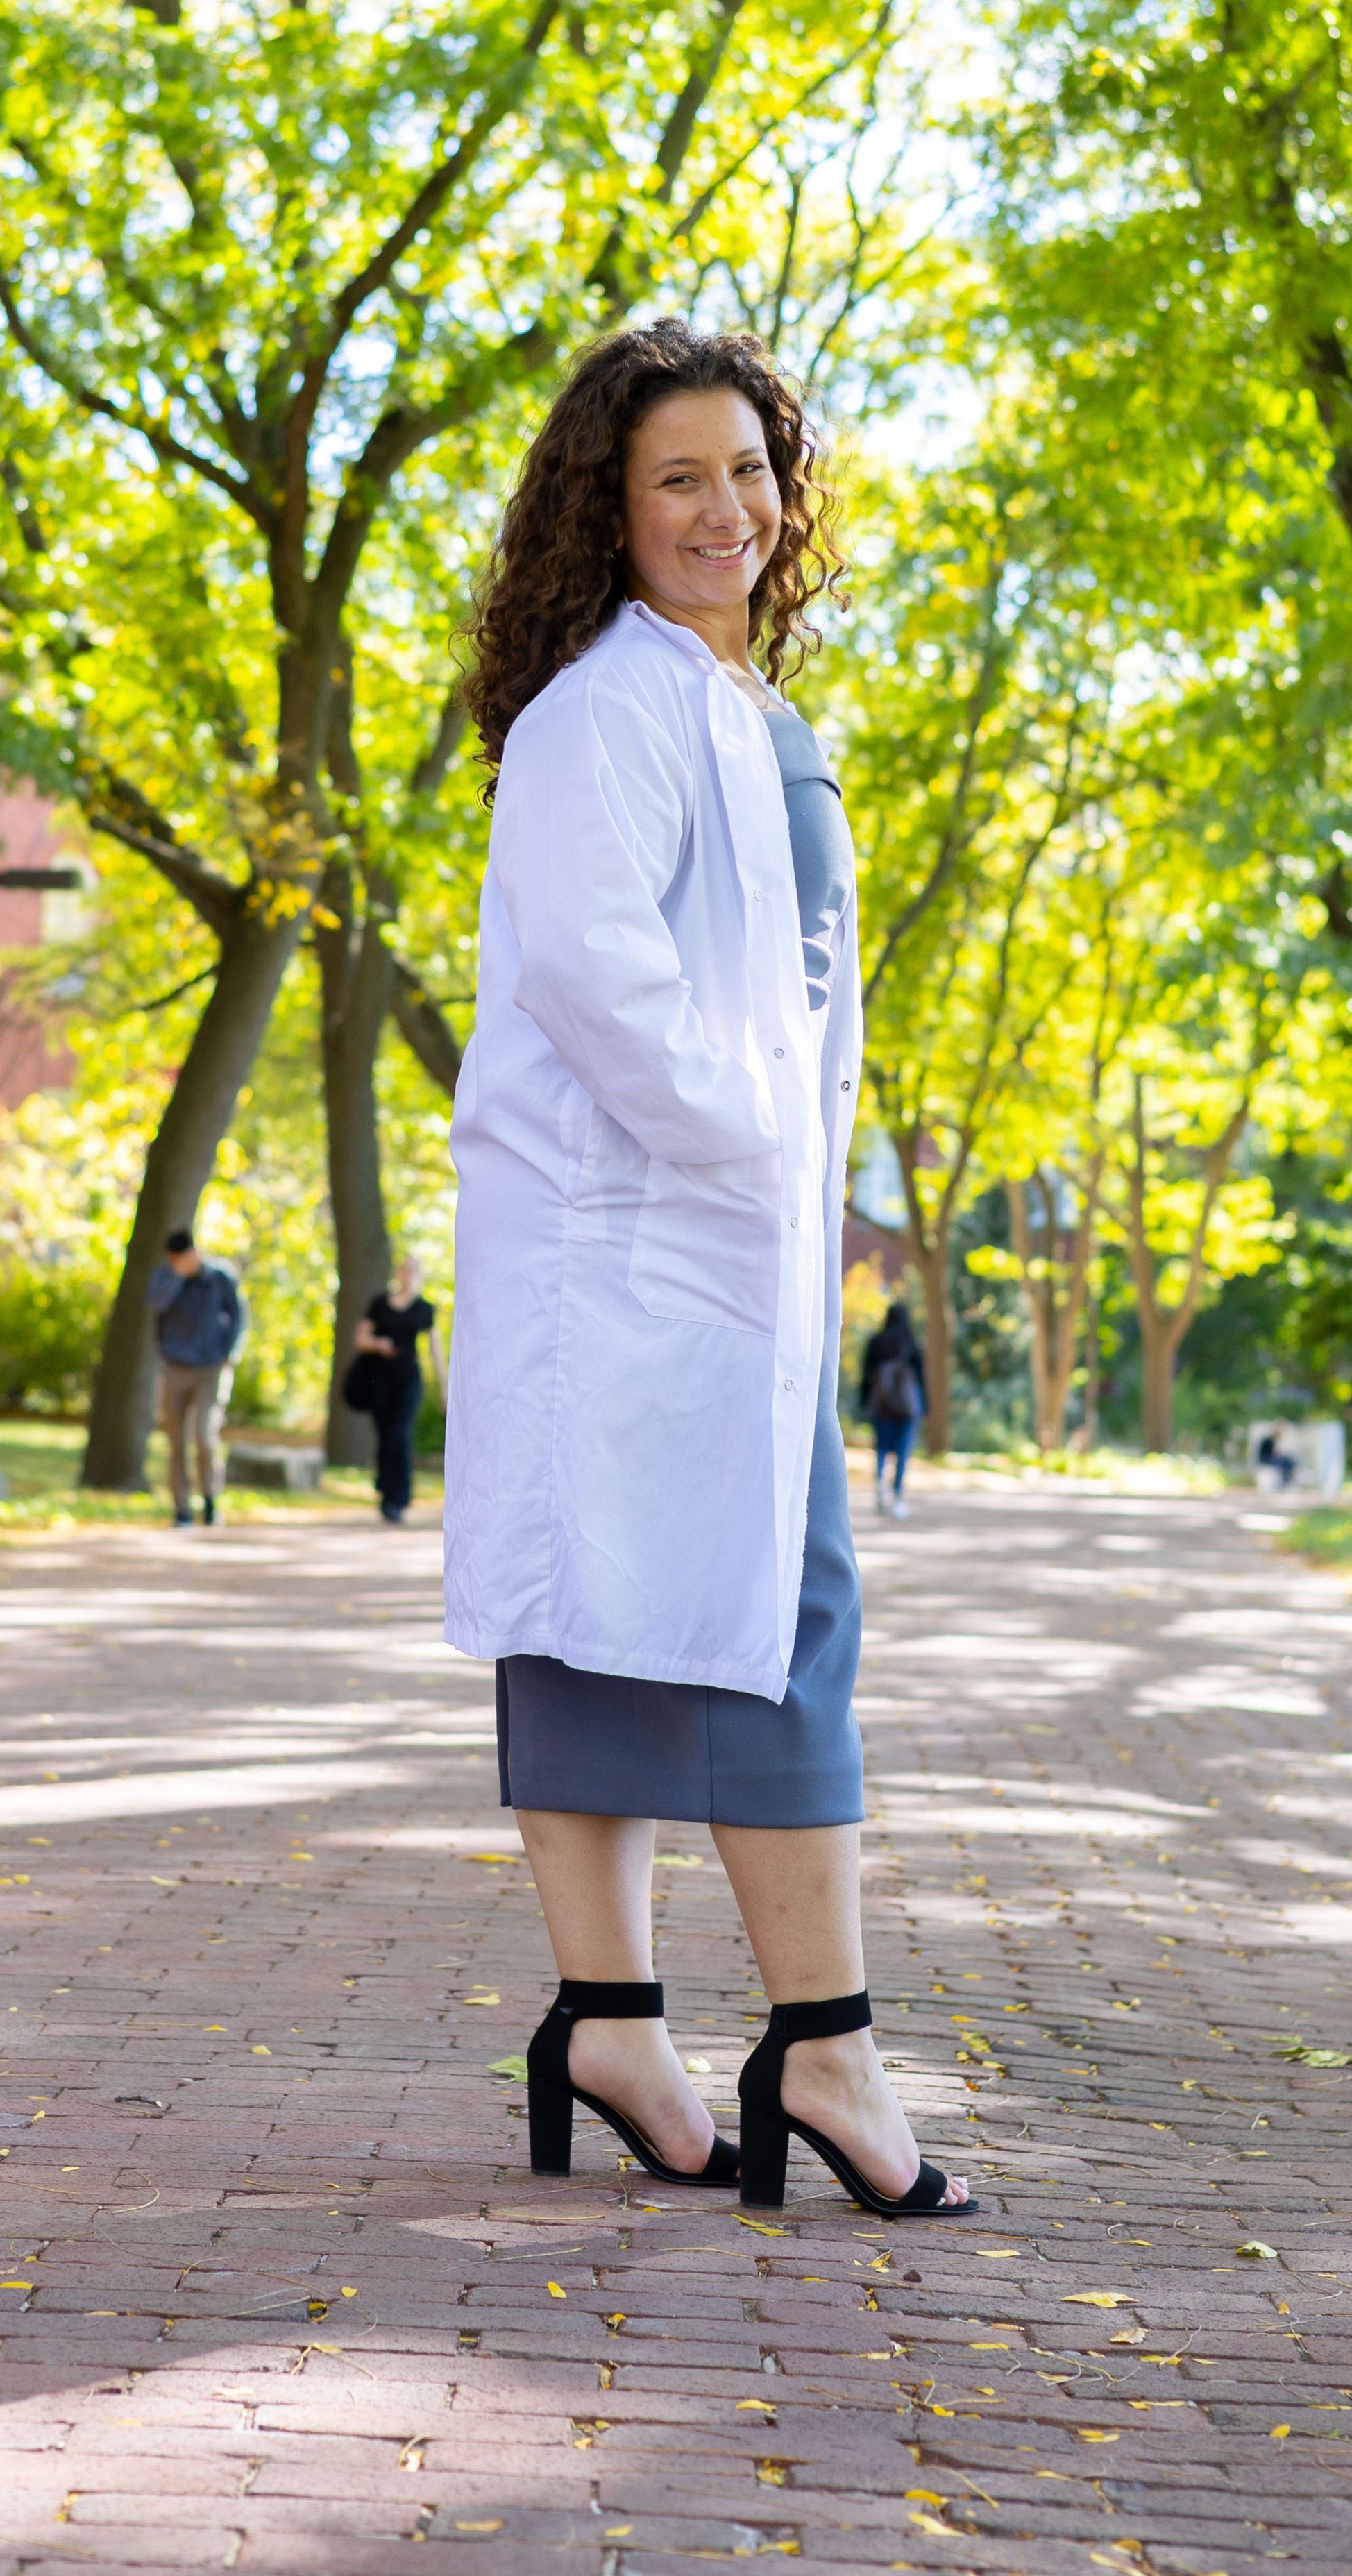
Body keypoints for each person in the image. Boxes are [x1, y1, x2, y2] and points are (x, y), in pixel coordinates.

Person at [445, 318, 974, 2219]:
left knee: (699, 1613)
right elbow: (606, 987)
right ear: (608, 503)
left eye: (746, 470)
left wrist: (796, 1174)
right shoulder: (607, 707)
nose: (724, 508)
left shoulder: (741, 706)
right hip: (645, 1239)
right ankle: (809, 2039)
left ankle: (614, 2023)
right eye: (677, 475)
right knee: (734, 1619)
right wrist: (768, 1167)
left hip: (722, 1247)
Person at [146, 1226, 242, 1527]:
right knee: (176, 1442)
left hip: (211, 1368)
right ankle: (182, 1509)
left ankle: (211, 1498)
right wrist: (177, 1275)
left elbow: (239, 1314)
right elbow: (156, 1303)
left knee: (203, 1435)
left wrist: (231, 1352)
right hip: (174, 1366)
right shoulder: (166, 1276)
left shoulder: (219, 1277)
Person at [349, 1257, 446, 1523]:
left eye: (413, 1269)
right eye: (404, 1268)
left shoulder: (425, 1309)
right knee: (385, 1434)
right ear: (398, 1273)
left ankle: (399, 1497)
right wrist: (379, 1344)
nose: (408, 1273)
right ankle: (386, 1492)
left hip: (408, 1380)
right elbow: (361, 1339)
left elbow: (435, 1348)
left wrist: (445, 1385)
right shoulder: (380, 1304)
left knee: (400, 1433)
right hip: (380, 1379)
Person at [859, 1302, 927, 1518]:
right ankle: (897, 1495)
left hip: (881, 1405)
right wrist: (925, 1406)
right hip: (907, 1408)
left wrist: (863, 1402)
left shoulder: (876, 1343)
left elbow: (866, 1376)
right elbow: (921, 1380)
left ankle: (880, 1483)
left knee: (881, 1448)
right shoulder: (912, 1344)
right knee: (903, 1451)